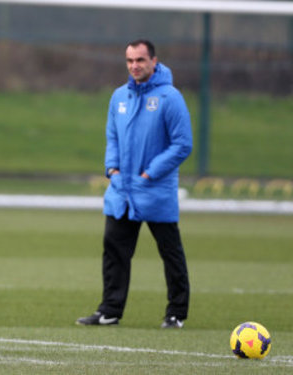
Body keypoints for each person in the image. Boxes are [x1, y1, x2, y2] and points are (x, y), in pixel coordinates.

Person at [77, 40, 193, 329]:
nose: (134, 66)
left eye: (140, 60)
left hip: (155, 192)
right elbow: (112, 137)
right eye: (129, 60)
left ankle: (176, 313)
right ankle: (110, 311)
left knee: (170, 252)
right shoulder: (119, 96)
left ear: (154, 61)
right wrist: (112, 169)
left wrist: (149, 174)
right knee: (114, 249)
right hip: (121, 190)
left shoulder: (170, 98)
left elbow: (182, 144)